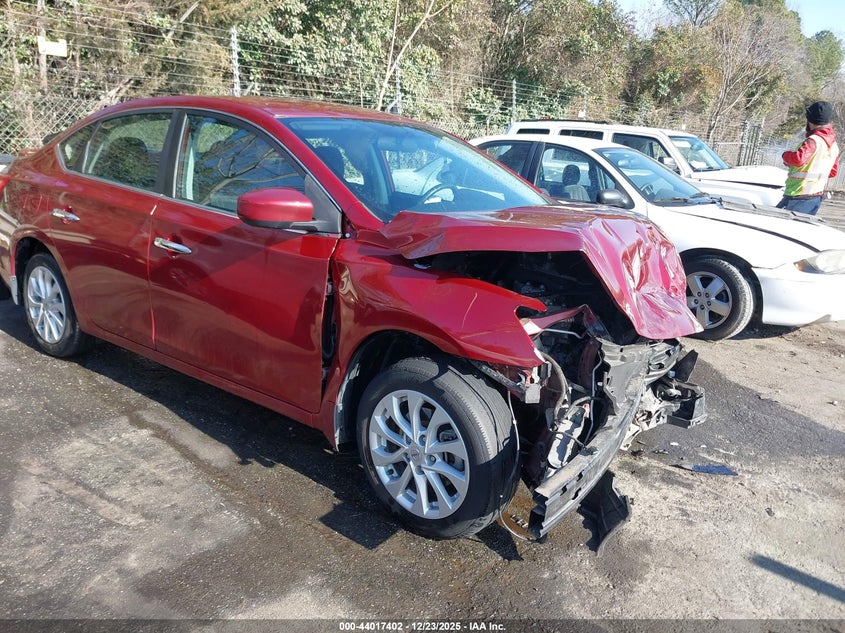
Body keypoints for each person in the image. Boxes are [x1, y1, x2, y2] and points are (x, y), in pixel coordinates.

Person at [777, 100, 840, 215]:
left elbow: (798, 159)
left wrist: (785, 156)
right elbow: (833, 172)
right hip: (814, 198)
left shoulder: (813, 141)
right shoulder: (833, 145)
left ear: (810, 120)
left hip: (798, 196)